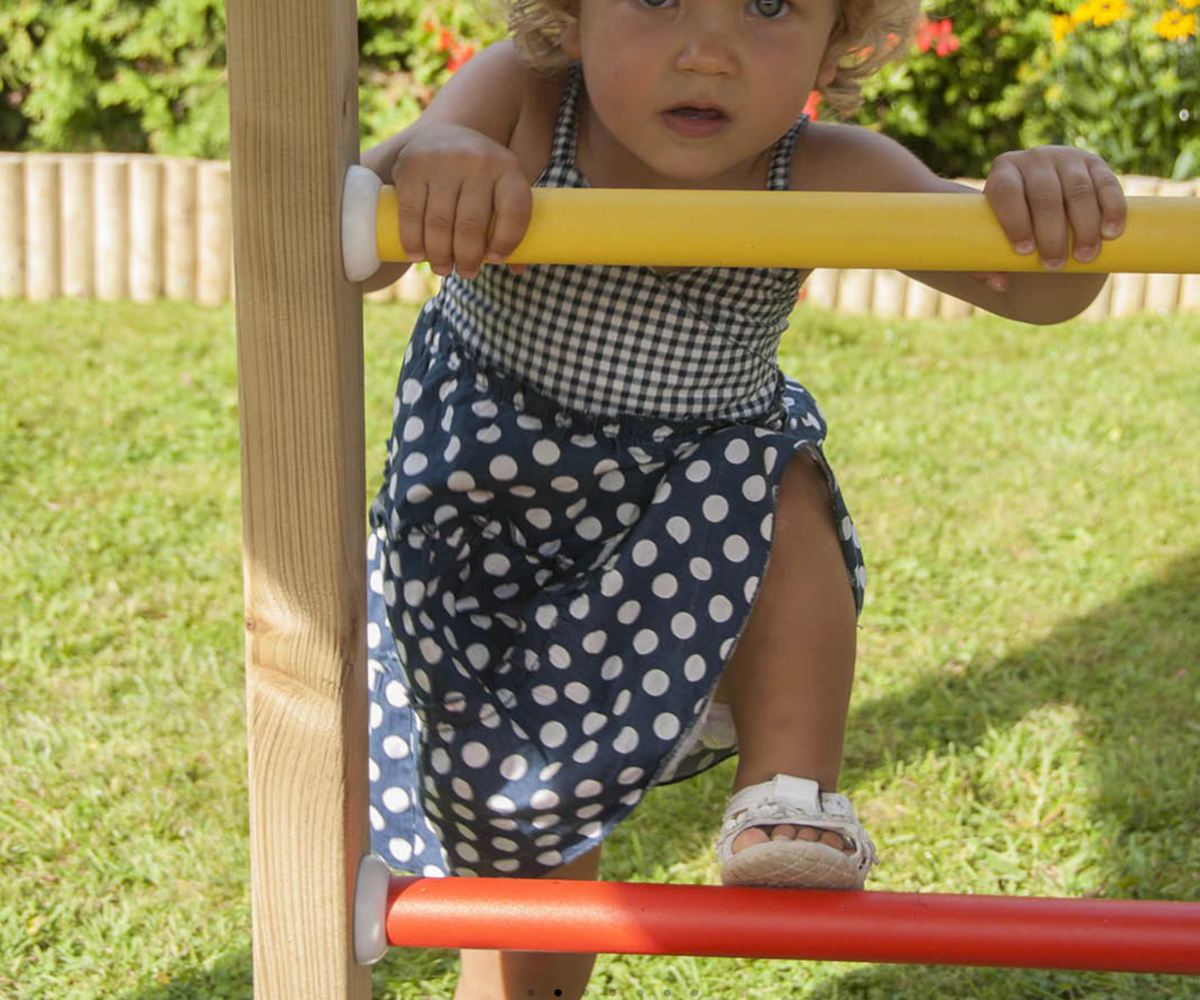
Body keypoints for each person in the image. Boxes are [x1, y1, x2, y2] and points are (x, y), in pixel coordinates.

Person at [360, 0, 1127, 994]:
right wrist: (436, 160)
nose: (708, 53)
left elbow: (1031, 288)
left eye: (768, 4)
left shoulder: (826, 170)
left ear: (837, 36)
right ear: (573, 16)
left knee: (777, 475)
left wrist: (1051, 206)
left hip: (687, 522)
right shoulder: (526, 96)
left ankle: (790, 792)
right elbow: (380, 224)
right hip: (492, 527)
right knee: (531, 889)